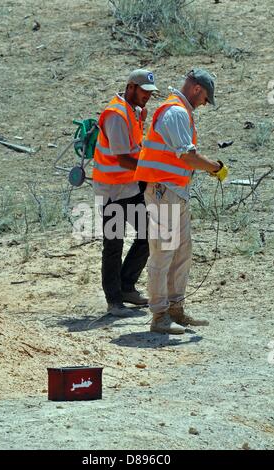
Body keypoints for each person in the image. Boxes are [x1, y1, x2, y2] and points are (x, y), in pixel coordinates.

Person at [134, 68, 228, 334]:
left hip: (175, 192)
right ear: (197, 90)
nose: (203, 104)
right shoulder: (175, 112)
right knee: (163, 253)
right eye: (205, 98)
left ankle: (175, 309)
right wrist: (214, 167)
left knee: (181, 253)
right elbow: (186, 156)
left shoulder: (179, 111)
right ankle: (160, 314)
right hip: (165, 192)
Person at [92, 69, 158, 317]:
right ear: (131, 87)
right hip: (111, 189)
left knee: (149, 233)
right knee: (113, 244)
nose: (148, 97)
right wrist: (152, 171)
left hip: (128, 186)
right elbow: (122, 158)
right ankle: (114, 300)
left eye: (151, 93)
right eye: (144, 92)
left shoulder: (133, 112)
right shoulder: (117, 115)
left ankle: (126, 287)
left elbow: (135, 148)